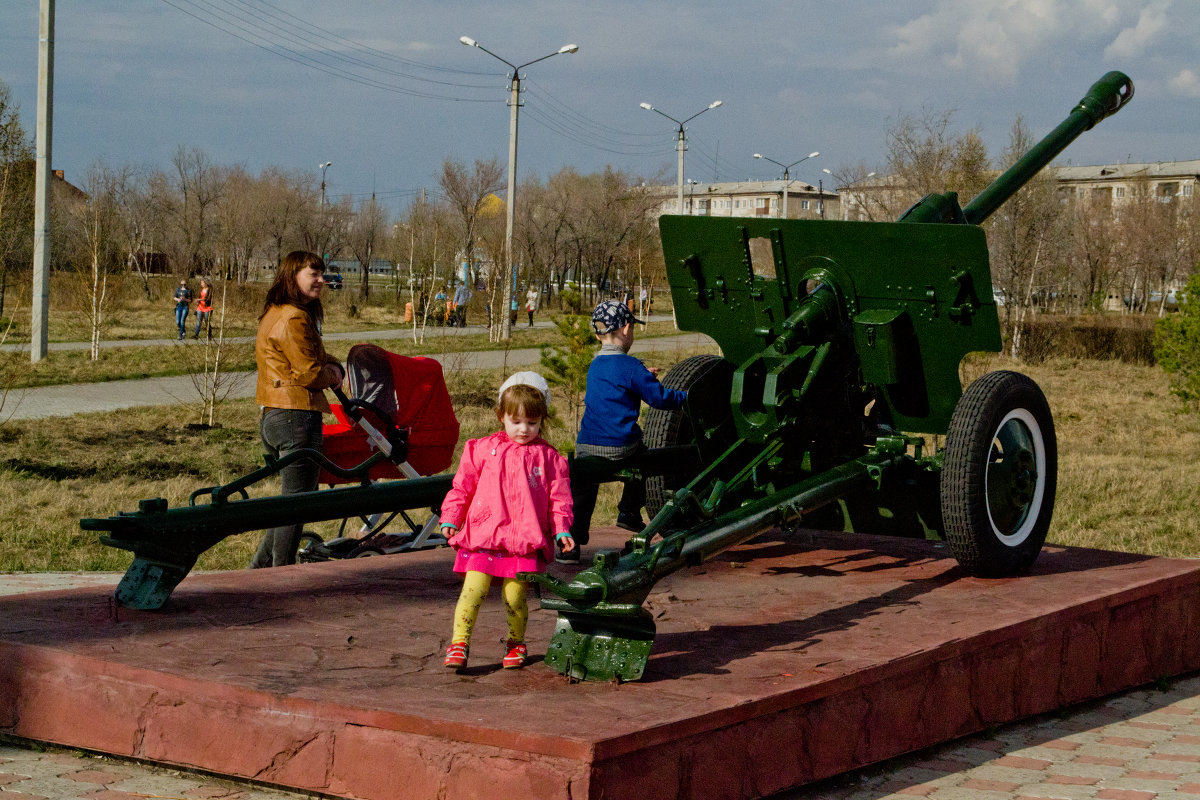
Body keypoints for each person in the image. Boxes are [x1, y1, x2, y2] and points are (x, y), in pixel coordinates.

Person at [439, 371, 574, 670]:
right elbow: (463, 486)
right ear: (501, 415)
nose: (524, 429)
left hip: (523, 542)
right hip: (484, 536)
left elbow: (559, 498)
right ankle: (459, 642)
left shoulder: (549, 458)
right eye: (516, 421)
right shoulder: (482, 450)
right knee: (472, 591)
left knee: (515, 599)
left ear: (542, 420)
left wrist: (562, 528)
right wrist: (451, 516)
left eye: (532, 422)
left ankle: (516, 642)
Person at [563, 300, 687, 563]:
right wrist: (685, 396)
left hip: (586, 444)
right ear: (627, 329)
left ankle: (571, 545)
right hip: (619, 447)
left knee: (584, 487)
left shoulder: (596, 365)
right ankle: (629, 511)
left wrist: (641, 374)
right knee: (643, 455)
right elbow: (660, 399)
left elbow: (617, 380)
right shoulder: (631, 367)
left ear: (598, 334)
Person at [250, 251, 345, 569]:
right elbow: (308, 372)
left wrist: (330, 362)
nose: (321, 280)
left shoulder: (277, 312)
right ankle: (281, 576)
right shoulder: (294, 317)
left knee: (289, 504)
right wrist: (334, 374)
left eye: (322, 274)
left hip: (276, 413)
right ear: (293, 277)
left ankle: (257, 572)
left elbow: (306, 355)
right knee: (297, 506)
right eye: (313, 274)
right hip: (295, 415)